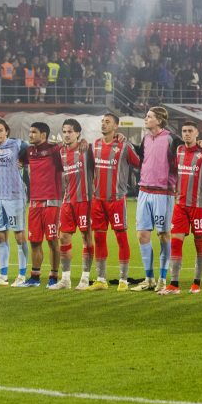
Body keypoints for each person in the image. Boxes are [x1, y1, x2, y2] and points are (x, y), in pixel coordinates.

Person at [161, 121, 202, 295]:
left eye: (190, 131)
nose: (186, 134)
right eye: (184, 131)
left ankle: (196, 283)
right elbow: (172, 170)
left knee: (199, 242)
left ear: (197, 134)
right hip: (180, 205)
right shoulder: (178, 151)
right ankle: (174, 284)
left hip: (200, 205)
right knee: (176, 242)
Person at [88, 113, 140, 291]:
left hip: (116, 199)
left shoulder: (124, 146)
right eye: (102, 121)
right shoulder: (94, 145)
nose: (103, 124)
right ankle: (101, 279)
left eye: (107, 122)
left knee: (121, 237)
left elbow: (138, 162)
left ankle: (123, 280)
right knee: (99, 238)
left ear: (116, 126)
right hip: (97, 200)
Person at [131, 107, 181, 291]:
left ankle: (162, 278)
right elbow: (143, 159)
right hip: (144, 191)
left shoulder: (172, 139)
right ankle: (149, 278)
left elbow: (185, 153)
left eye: (149, 117)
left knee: (163, 235)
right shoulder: (145, 139)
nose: (146, 119)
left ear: (159, 120)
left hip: (163, 193)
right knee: (142, 234)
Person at [0, 119, 30, 286]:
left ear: (7, 132)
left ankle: (21, 275)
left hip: (15, 196)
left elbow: (32, 150)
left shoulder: (17, 144)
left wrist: (25, 162)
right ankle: (3, 276)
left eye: (0, 130)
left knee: (19, 237)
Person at [53, 119, 94, 290]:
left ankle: (85, 279)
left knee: (86, 238)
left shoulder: (87, 150)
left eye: (70, 131)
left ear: (78, 133)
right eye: (64, 131)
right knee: (63, 238)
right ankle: (66, 279)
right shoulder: (60, 152)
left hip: (85, 200)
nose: (67, 135)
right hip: (67, 201)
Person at [21, 122, 63, 287]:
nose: (30, 135)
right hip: (34, 202)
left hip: (52, 201)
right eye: (30, 131)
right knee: (34, 241)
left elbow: (70, 153)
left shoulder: (55, 150)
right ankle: (35, 277)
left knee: (52, 241)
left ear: (44, 134)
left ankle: (53, 277)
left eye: (34, 132)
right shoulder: (28, 151)